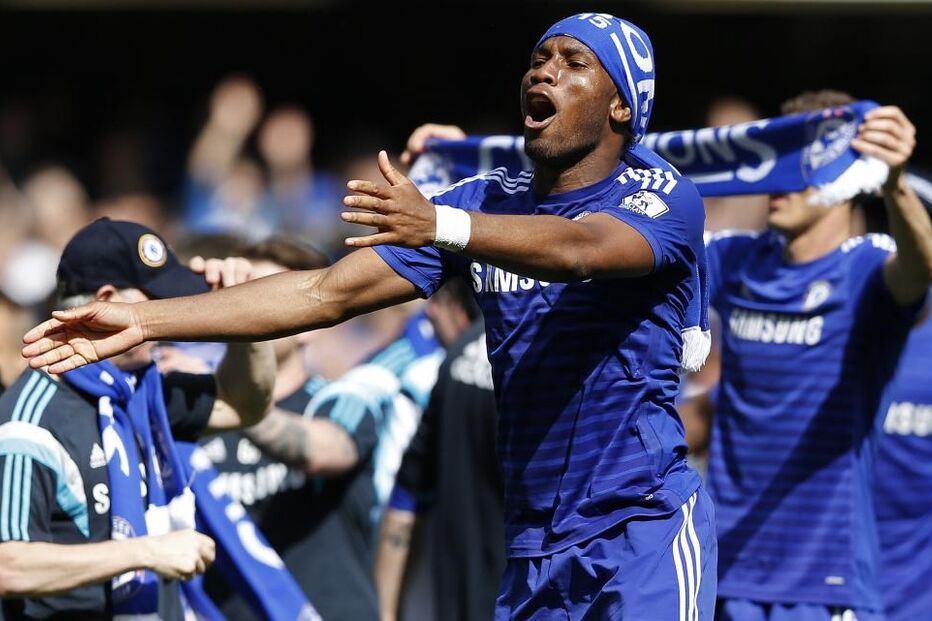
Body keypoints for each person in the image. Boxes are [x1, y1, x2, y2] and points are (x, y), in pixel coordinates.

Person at [22, 13, 718, 618]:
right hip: (534, 543)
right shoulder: (488, 200)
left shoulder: (661, 197)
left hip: (643, 526)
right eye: (539, 58)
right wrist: (148, 322)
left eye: (573, 64)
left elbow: (582, 250)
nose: (545, 72)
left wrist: (443, 221)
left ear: (621, 106)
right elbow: (323, 293)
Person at [703, 91, 932, 621]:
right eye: (777, 159)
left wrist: (892, 182)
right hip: (727, 573)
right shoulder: (735, 260)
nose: (781, 180)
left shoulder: (863, 269)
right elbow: (638, 254)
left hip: (825, 587)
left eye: (803, 162)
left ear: (848, 173)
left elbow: (920, 268)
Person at [1, 218, 275, 620]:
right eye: (158, 302)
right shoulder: (30, 418)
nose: (169, 324)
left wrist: (243, 311)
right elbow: (8, 565)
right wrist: (144, 552)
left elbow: (245, 404)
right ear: (108, 299)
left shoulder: (142, 390)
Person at [374, 281, 498, 621]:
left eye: (439, 302)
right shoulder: (547, 355)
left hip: (460, 602)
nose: (428, 313)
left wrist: (385, 612)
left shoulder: (456, 358)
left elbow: (405, 499)